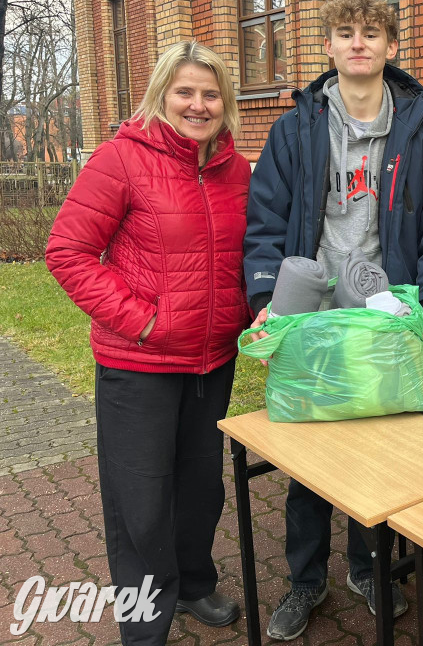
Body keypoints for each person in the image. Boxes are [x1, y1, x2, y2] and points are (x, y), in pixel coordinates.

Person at [243, 0, 423, 641]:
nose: (359, 42)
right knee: (310, 461)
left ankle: (370, 571)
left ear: (391, 47)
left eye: (372, 32)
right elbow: (265, 224)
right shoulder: (295, 129)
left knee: (377, 453)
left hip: (382, 321)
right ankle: (305, 580)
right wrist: (264, 305)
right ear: (330, 47)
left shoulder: (420, 130)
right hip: (311, 318)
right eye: (346, 32)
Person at [46, 41, 251, 644]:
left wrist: (251, 312)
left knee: (199, 487)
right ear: (162, 94)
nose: (198, 104)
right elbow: (68, 252)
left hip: (212, 361)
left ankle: (191, 584)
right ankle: (144, 621)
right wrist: (142, 321)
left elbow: (246, 256)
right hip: (139, 365)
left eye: (211, 94)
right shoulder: (120, 159)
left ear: (226, 103)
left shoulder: (237, 169)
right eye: (185, 91)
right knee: (139, 498)